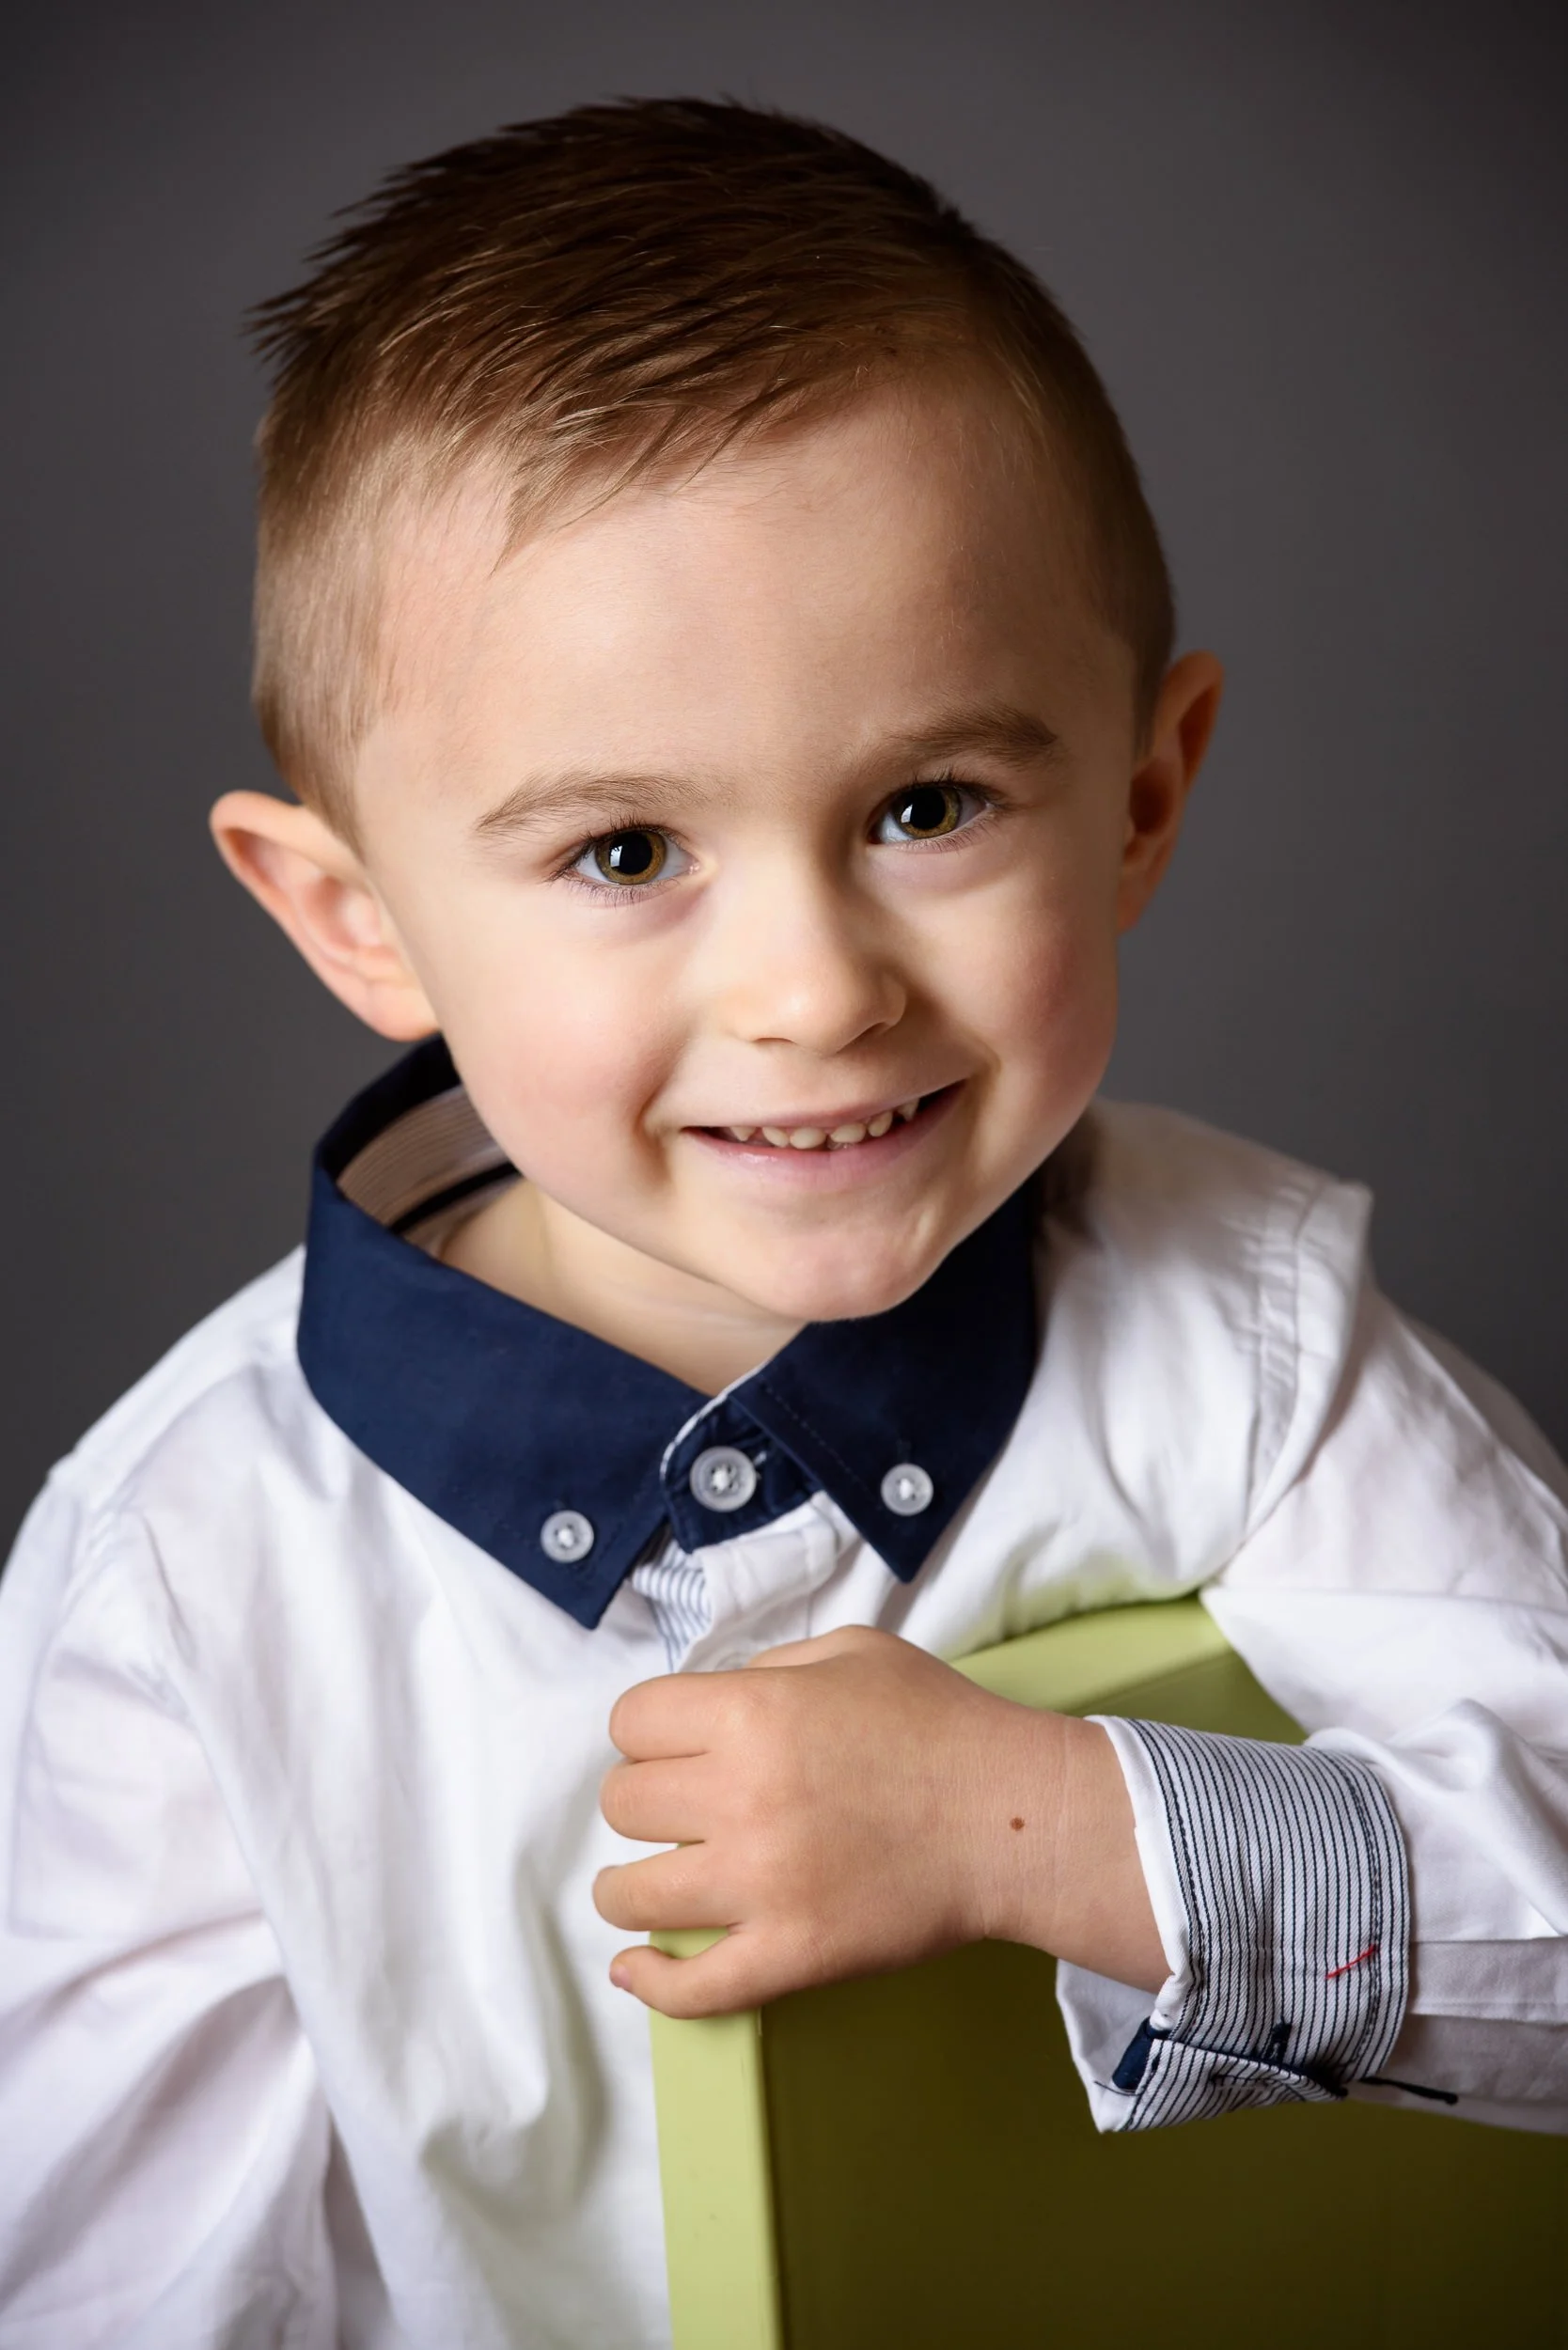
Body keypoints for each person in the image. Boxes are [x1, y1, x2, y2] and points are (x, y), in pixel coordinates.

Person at [1, 95, 1563, 2349]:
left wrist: (1040, 1831)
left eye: (927, 802)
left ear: (1139, 798)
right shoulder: (196, 1570)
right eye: (626, 850)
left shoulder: (1249, 1343)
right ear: (360, 921)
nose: (819, 988)